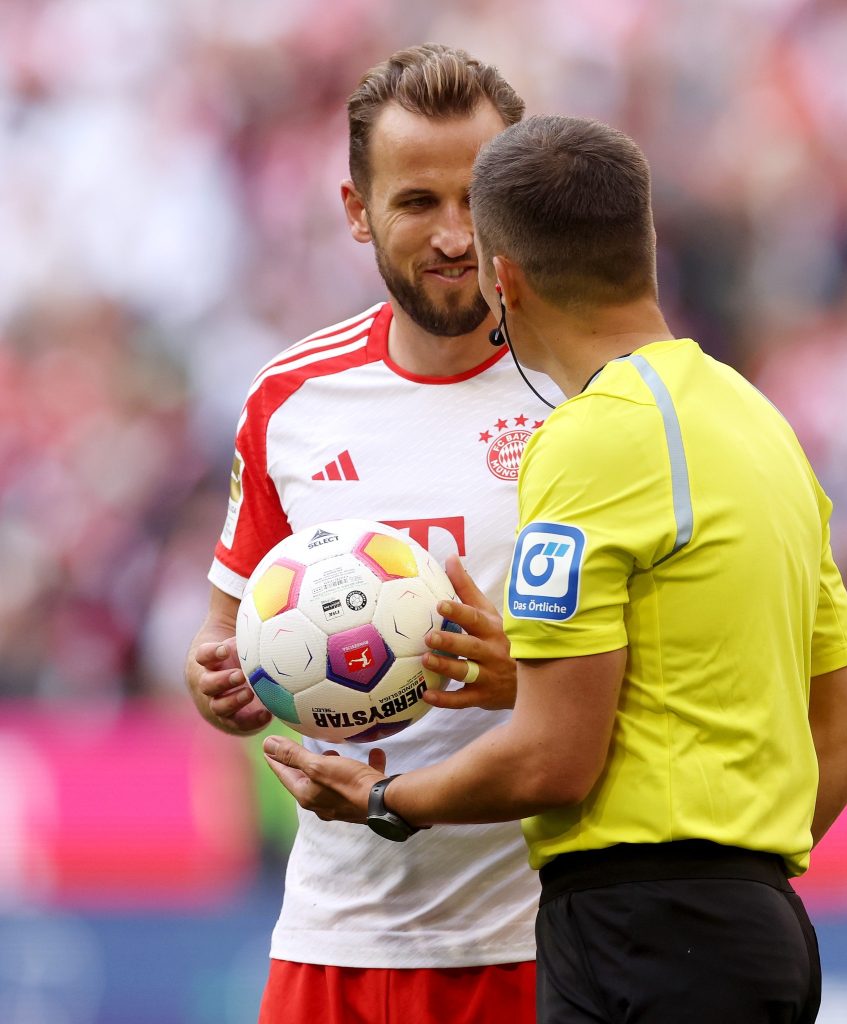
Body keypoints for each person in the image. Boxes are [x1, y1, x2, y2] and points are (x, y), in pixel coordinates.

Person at [262, 114, 847, 1024]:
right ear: (644, 249)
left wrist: (386, 797)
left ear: (503, 280)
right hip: (755, 929)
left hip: (639, 937)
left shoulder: (588, 438)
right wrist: (734, 874)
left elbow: (553, 758)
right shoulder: (759, 422)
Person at [185, 45, 560, 1024]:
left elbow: (679, 668)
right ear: (357, 210)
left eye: (476, 198)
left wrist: (528, 679)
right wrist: (222, 681)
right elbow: (223, 634)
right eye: (417, 202)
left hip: (534, 938)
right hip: (333, 936)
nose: (455, 235)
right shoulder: (290, 399)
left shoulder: (586, 391)